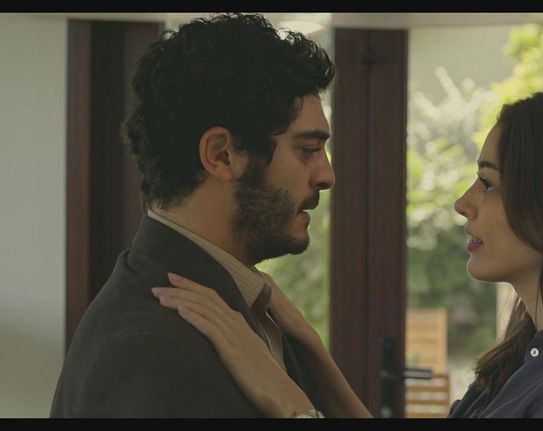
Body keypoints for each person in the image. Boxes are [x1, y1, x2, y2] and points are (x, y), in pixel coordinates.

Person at [151, 90, 543, 417]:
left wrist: (290, 405)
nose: (463, 203)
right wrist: (310, 349)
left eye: (488, 184)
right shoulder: (528, 359)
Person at [49, 12, 348, 417]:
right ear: (221, 155)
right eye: (308, 150)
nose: (326, 175)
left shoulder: (242, 310)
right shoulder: (149, 348)